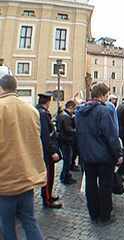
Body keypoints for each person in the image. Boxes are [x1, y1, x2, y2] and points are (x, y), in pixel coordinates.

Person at [0, 74, 46, 240]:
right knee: (29, 220)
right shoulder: (31, 110)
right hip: (27, 176)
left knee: (6, 224)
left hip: (5, 180)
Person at [75, 83, 122, 223]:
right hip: (103, 156)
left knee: (90, 186)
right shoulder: (103, 111)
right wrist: (118, 153)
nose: (107, 98)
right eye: (106, 95)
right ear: (101, 95)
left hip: (87, 156)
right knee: (105, 186)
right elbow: (111, 135)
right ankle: (105, 215)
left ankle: (93, 213)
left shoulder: (80, 111)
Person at [36, 92, 63, 209]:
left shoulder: (40, 112)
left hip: (45, 149)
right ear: (48, 102)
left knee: (50, 175)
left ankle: (49, 195)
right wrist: (52, 151)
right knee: (48, 175)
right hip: (47, 151)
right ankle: (47, 200)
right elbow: (46, 135)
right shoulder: (43, 114)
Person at [58, 100, 77, 185]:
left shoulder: (62, 114)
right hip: (66, 141)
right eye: (74, 108)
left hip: (63, 140)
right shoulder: (66, 117)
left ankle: (66, 176)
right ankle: (64, 177)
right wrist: (77, 131)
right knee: (67, 160)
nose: (74, 110)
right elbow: (68, 129)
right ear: (70, 107)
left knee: (67, 160)